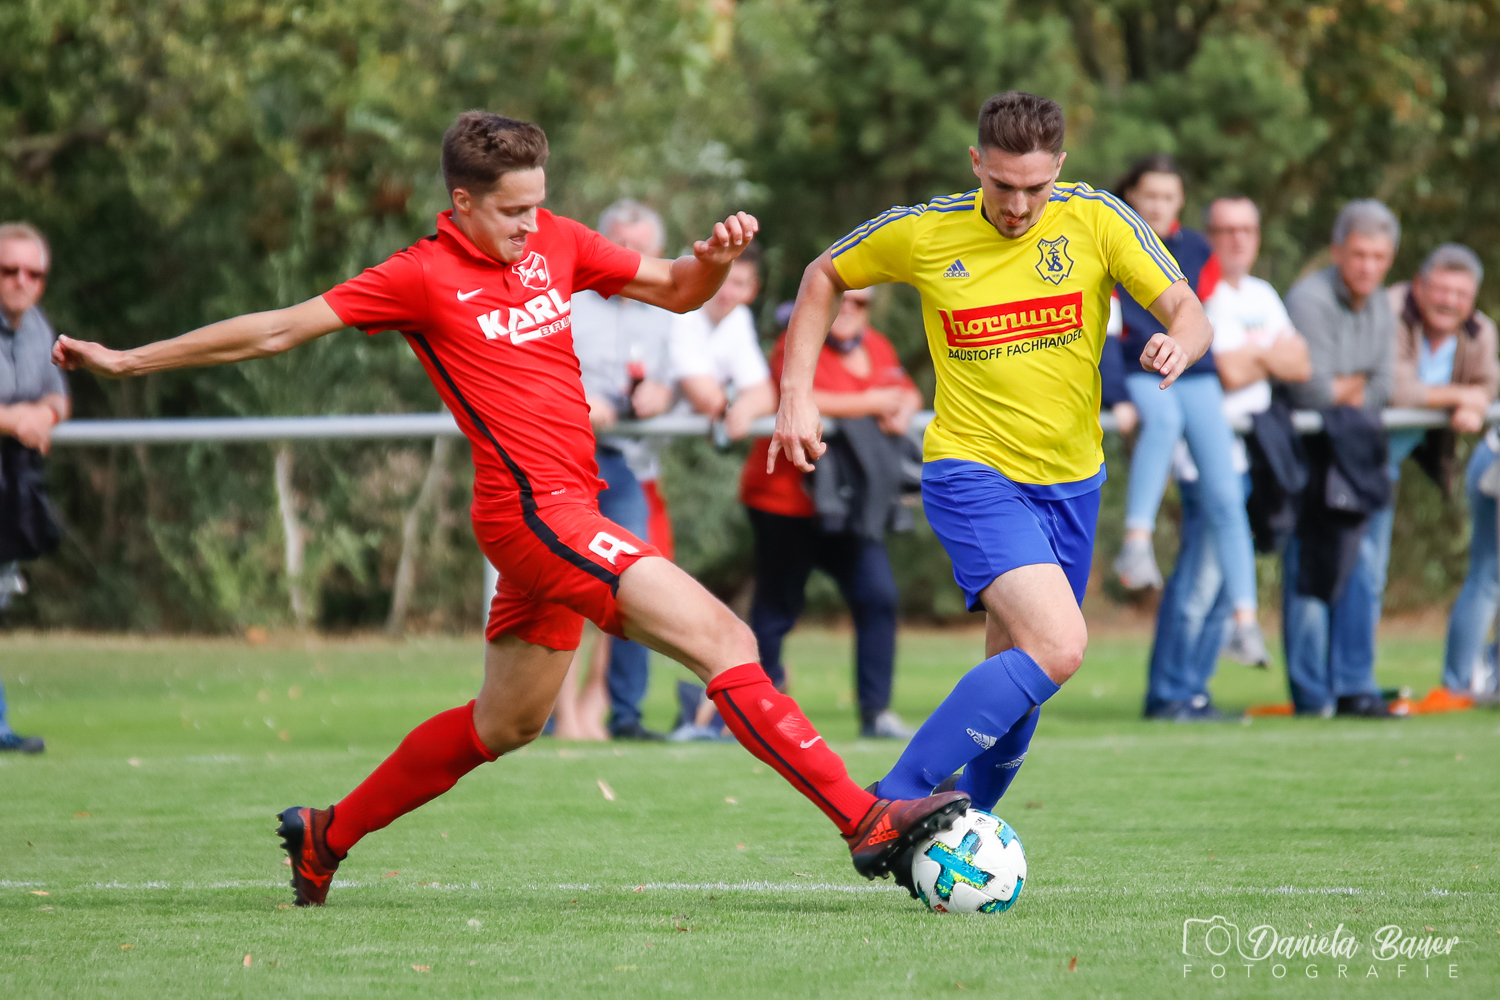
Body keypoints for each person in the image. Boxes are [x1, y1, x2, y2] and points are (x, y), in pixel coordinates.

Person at [54, 111, 967, 906]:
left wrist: (711, 262)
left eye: (538, 205)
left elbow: (677, 292)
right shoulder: (418, 276)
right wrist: (131, 361)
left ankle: (326, 835)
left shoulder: (556, 241)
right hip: (533, 518)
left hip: (570, 508)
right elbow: (279, 328)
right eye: (512, 211)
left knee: (508, 723)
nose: (532, 226)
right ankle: (863, 819)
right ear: (461, 202)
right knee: (726, 638)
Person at [771, 91, 1213, 897]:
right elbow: (823, 273)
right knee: (1060, 646)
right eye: (1002, 185)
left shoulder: (1097, 220)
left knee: (1021, 677)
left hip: (1072, 484)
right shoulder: (927, 231)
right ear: (977, 164)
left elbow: (1188, 308)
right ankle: (889, 803)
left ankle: (951, 841)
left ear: (1060, 170)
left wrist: (1178, 343)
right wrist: (796, 394)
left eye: (1035, 188)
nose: (1017, 205)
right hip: (972, 472)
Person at [1143, 197, 1311, 719]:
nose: (1238, 239)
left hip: (1249, 457)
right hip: (1204, 460)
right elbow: (1228, 373)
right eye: (1226, 230)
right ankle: (1170, 692)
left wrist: (1252, 356)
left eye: (1247, 229)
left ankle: (1195, 689)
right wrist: (1267, 356)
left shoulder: (1262, 294)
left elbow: (1301, 363)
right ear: (1209, 237)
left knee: (1221, 587)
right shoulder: (1198, 297)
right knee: (1200, 580)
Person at [1102, 156, 1267, 665]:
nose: (1158, 205)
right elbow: (1104, 331)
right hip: (1143, 368)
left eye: (1168, 197)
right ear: (1131, 195)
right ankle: (1136, 542)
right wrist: (1118, 397)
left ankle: (1245, 620)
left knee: (1226, 494)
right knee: (1165, 421)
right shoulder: (1109, 243)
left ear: (1180, 201)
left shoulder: (1196, 249)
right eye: (1149, 195)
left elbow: (1208, 313)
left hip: (1195, 372)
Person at [740, 287, 923, 739]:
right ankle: (758, 711)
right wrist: (875, 402)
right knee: (776, 609)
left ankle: (876, 713)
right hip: (787, 501)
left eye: (861, 302)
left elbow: (906, 392)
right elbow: (799, 397)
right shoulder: (798, 341)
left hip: (851, 505)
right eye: (843, 297)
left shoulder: (877, 345)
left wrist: (904, 407)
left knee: (878, 596)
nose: (850, 309)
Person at [566, 198, 678, 741]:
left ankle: (626, 714)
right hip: (567, 455)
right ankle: (543, 716)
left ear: (658, 252)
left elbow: (689, 376)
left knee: (636, 581)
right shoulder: (567, 302)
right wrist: (579, 401)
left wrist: (666, 393)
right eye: (620, 245)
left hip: (629, 464)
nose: (629, 256)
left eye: (640, 247)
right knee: (558, 585)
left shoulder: (671, 308)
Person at [1282, 199, 1400, 716]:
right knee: (1312, 569)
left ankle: (1355, 685)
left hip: (1359, 452)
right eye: (1359, 254)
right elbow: (1311, 392)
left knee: (1365, 569)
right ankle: (1314, 696)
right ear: (1337, 252)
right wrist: (1355, 385)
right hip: (1309, 455)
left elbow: (1386, 386)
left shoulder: (1382, 305)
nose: (1368, 266)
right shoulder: (1308, 298)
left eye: (1378, 257)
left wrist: (1345, 387)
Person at [1386, 245, 1499, 704]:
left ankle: (1475, 679)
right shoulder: (1392, 311)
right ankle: (1458, 683)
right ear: (1420, 284)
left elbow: (1488, 382)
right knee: (1489, 575)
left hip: (1420, 456)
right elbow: (1395, 386)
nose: (1450, 301)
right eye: (1442, 289)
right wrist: (1462, 397)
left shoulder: (1480, 330)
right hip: (1363, 459)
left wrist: (1477, 398)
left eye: (1461, 293)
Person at [0, 222, 70, 755]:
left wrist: (41, 415)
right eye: (8, 270)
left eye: (33, 273)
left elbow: (57, 397)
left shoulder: (37, 326)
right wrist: (15, 419)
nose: (21, 281)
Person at [670, 244, 776, 440]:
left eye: (738, 284)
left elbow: (765, 395)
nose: (726, 292)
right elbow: (704, 396)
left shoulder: (739, 318)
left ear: (752, 290)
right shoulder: (680, 312)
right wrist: (737, 412)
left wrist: (744, 410)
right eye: (721, 279)